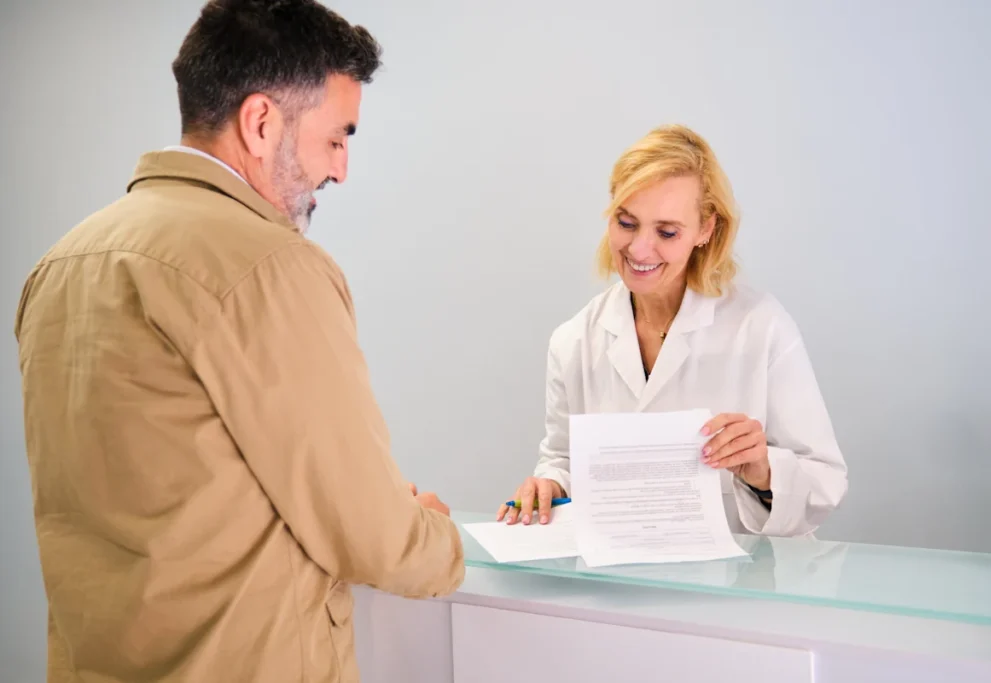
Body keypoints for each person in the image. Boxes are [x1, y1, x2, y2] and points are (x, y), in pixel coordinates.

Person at [14, 2, 463, 682]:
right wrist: (436, 535)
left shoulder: (61, 264)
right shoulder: (271, 267)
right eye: (336, 138)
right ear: (260, 123)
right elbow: (374, 537)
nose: (341, 169)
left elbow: (171, 486)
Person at [499, 124, 848, 537]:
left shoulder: (760, 326)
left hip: (741, 572)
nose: (639, 249)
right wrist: (549, 486)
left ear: (706, 230)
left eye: (666, 232)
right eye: (626, 223)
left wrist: (763, 471)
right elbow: (563, 460)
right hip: (619, 570)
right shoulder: (574, 340)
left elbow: (823, 481)